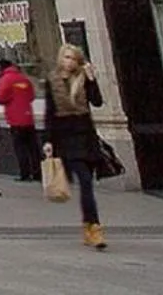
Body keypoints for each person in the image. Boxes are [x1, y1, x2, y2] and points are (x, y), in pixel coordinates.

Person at [44, 43, 107, 250]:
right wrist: (48, 141)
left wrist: (91, 79)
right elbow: (49, 113)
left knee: (88, 184)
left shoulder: (82, 79)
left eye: (73, 58)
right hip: (66, 139)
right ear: (61, 59)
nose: (69, 62)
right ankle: (95, 227)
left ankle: (88, 225)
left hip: (86, 136)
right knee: (86, 181)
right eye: (66, 57)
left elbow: (97, 102)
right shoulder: (52, 82)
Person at [0, 55, 39, 181]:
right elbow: (31, 96)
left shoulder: (5, 79)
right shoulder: (23, 78)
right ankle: (37, 172)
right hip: (28, 118)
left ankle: (25, 173)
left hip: (15, 119)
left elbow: (1, 98)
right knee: (33, 148)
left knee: (20, 148)